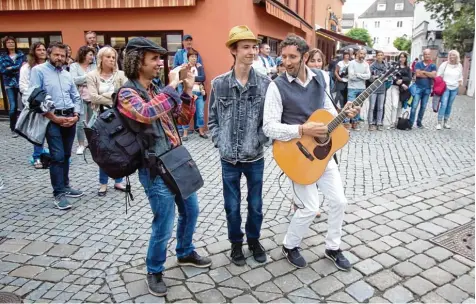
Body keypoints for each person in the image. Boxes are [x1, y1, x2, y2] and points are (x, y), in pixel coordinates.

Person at [118, 37, 211, 297]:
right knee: (164, 222)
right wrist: (171, 88)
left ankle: (184, 252)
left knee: (191, 210)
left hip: (176, 160)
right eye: (154, 59)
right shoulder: (127, 93)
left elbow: (181, 118)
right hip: (154, 168)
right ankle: (154, 270)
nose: (160, 63)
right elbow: (146, 114)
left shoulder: (158, 87)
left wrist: (187, 91)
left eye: (160, 58)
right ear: (138, 62)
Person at [262, 34, 359, 270]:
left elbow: (327, 113)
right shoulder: (277, 86)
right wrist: (302, 129)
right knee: (309, 208)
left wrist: (343, 114)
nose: (287, 62)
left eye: (292, 57)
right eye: (283, 57)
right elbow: (269, 126)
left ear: (305, 57)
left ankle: (333, 247)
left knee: (339, 201)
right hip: (296, 155)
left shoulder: (320, 79)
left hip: (323, 153)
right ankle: (290, 245)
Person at [208, 25, 270, 267]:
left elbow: (270, 121)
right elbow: (212, 118)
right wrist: (219, 139)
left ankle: (254, 241)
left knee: (255, 205)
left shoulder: (265, 83)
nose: (252, 52)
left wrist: (260, 140)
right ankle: (236, 244)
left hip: (254, 156)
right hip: (228, 158)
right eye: (246, 47)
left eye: (254, 47)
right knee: (231, 206)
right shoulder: (219, 83)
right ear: (233, 50)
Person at [29, 42, 84, 210]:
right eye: (56, 55)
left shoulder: (67, 74)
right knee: (57, 156)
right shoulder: (38, 71)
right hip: (51, 119)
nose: (60, 58)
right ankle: (58, 193)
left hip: (70, 118)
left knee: (66, 154)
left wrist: (76, 115)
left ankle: (65, 185)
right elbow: (34, 98)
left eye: (63, 55)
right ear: (49, 54)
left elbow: (76, 97)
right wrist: (54, 118)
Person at [86, 47, 127, 196]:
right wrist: (113, 96)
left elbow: (125, 95)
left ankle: (118, 180)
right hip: (101, 118)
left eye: (113, 57)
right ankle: (103, 183)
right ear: (101, 59)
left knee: (119, 149)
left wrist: (107, 95)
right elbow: (93, 97)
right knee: (103, 150)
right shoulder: (92, 76)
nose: (111, 59)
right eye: (108, 57)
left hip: (118, 117)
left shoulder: (121, 75)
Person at [19, 42, 47, 168]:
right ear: (33, 52)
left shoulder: (49, 66)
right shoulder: (27, 67)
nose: (42, 52)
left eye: (44, 49)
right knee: (38, 131)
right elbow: (23, 86)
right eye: (39, 49)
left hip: (50, 103)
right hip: (35, 102)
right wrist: (34, 97)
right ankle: (37, 157)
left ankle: (54, 156)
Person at [69, 46, 97, 155]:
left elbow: (96, 79)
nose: (92, 57)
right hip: (79, 97)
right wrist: (88, 78)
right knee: (80, 122)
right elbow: (73, 80)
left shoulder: (94, 66)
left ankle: (91, 143)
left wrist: (84, 79)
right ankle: (81, 144)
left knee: (92, 121)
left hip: (92, 97)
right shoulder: (74, 66)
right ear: (83, 54)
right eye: (90, 54)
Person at [0, 36, 25, 137]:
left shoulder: (21, 54)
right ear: (5, 45)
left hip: (21, 82)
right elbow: (2, 70)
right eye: (8, 42)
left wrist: (11, 67)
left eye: (12, 42)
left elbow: (23, 66)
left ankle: (24, 127)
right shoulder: (2, 56)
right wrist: (16, 68)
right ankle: (13, 128)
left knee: (25, 105)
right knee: (13, 107)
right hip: (9, 84)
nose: (11, 44)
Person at [436, 49, 463, 130]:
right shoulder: (445, 64)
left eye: (453, 55)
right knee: (444, 104)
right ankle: (439, 122)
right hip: (446, 87)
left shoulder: (459, 66)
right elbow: (438, 75)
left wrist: (460, 81)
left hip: (454, 87)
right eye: (450, 55)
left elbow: (460, 76)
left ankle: (446, 122)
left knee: (449, 105)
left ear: (456, 57)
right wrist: (441, 82)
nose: (452, 57)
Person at [410, 49, 436, 129]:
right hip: (418, 88)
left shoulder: (433, 65)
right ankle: (410, 123)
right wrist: (428, 74)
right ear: (423, 55)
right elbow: (417, 74)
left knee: (423, 107)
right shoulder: (418, 64)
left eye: (428, 54)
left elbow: (433, 76)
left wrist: (424, 72)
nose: (427, 56)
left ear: (430, 55)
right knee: (414, 106)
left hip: (427, 89)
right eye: (425, 54)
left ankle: (419, 122)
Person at [386, 52, 411, 129]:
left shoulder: (407, 68)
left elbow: (409, 78)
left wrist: (402, 81)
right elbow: (392, 75)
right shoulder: (395, 67)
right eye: (401, 57)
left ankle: (397, 122)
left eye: (404, 57)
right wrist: (398, 81)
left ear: (406, 58)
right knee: (394, 105)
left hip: (403, 89)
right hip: (395, 87)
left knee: (400, 106)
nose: (402, 58)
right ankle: (392, 122)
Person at [347, 47, 370, 130]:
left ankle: (355, 122)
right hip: (352, 88)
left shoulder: (366, 64)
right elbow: (351, 76)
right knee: (350, 105)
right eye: (361, 53)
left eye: (364, 54)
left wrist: (357, 74)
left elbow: (368, 76)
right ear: (357, 54)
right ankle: (347, 122)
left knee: (358, 106)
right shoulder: (352, 63)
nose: (362, 55)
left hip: (362, 88)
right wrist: (362, 76)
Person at [368, 50, 387, 131]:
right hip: (373, 89)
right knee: (372, 107)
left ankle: (379, 123)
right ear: (376, 56)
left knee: (380, 107)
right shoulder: (372, 66)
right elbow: (369, 78)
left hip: (382, 88)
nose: (380, 56)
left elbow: (388, 77)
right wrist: (375, 77)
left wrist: (386, 78)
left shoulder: (385, 66)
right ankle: (371, 123)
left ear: (383, 56)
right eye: (378, 55)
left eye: (381, 55)